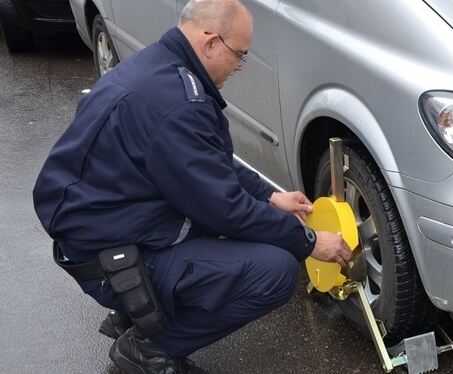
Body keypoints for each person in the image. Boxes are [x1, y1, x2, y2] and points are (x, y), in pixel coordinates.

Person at [32, 0, 352, 372]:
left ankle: (138, 313)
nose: (239, 66)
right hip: (108, 255)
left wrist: (269, 194)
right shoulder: (177, 105)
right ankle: (149, 348)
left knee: (251, 227)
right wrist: (311, 243)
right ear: (211, 42)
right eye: (239, 55)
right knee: (275, 269)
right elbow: (226, 210)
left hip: (100, 225)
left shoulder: (158, 65)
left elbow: (204, 159)